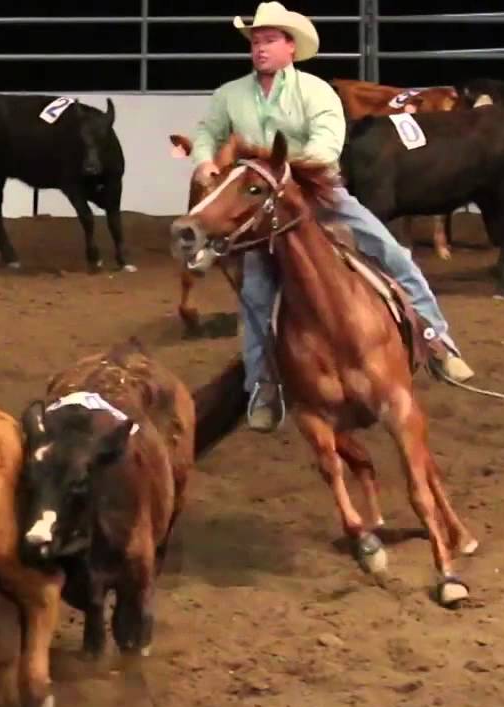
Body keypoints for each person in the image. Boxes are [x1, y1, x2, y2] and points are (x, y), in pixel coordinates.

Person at [188, 1, 476, 433]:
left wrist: (278, 173)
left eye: (268, 40)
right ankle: (262, 383)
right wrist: (204, 159)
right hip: (261, 208)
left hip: (318, 194)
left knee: (389, 251)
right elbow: (207, 133)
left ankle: (437, 340)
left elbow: (325, 149)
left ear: (290, 47)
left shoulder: (317, 93)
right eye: (256, 41)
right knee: (256, 293)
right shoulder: (230, 95)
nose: (259, 48)